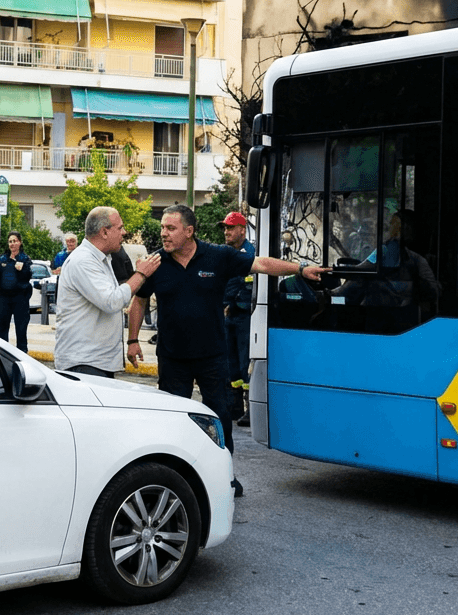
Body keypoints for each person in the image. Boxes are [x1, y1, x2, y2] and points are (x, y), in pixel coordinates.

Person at [127, 204, 328, 497]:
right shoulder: (156, 262)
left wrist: (299, 269)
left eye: (170, 228)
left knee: (220, 418)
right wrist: (133, 339)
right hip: (173, 359)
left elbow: (261, 264)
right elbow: (139, 301)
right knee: (173, 422)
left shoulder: (218, 256)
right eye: (163, 228)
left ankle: (225, 476)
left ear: (189, 231)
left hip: (212, 357)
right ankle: (176, 480)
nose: (164, 234)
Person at [54, 207, 161, 378]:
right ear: (104, 232)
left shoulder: (102, 259)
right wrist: (141, 273)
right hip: (84, 364)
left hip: (95, 362)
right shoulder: (83, 261)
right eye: (119, 228)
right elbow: (112, 301)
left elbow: (119, 297)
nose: (124, 232)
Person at [220, 211, 256, 427]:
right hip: (231, 314)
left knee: (245, 363)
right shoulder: (227, 252)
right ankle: (235, 407)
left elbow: (236, 281)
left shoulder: (247, 252)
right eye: (225, 228)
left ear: (242, 230)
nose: (226, 232)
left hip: (244, 315)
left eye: (230, 228)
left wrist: (225, 302)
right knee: (231, 362)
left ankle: (251, 409)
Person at [0, 231, 33, 352]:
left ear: (20, 242)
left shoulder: (25, 259)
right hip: (4, 298)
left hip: (20, 298)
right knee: (2, 329)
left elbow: (28, 277)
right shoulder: (2, 259)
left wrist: (22, 269)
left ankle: (22, 355)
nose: (12, 244)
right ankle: (3, 354)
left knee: (21, 329)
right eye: (10, 241)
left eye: (15, 241)